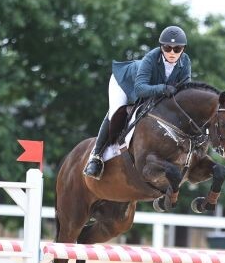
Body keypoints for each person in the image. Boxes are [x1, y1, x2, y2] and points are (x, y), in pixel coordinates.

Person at [82, 25, 192, 179]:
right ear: (161, 47)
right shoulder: (151, 58)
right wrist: (163, 88)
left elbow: (185, 89)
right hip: (124, 82)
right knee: (116, 112)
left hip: (149, 90)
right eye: (167, 48)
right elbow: (140, 89)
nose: (172, 52)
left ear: (183, 49)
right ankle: (96, 156)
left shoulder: (185, 62)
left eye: (177, 48)